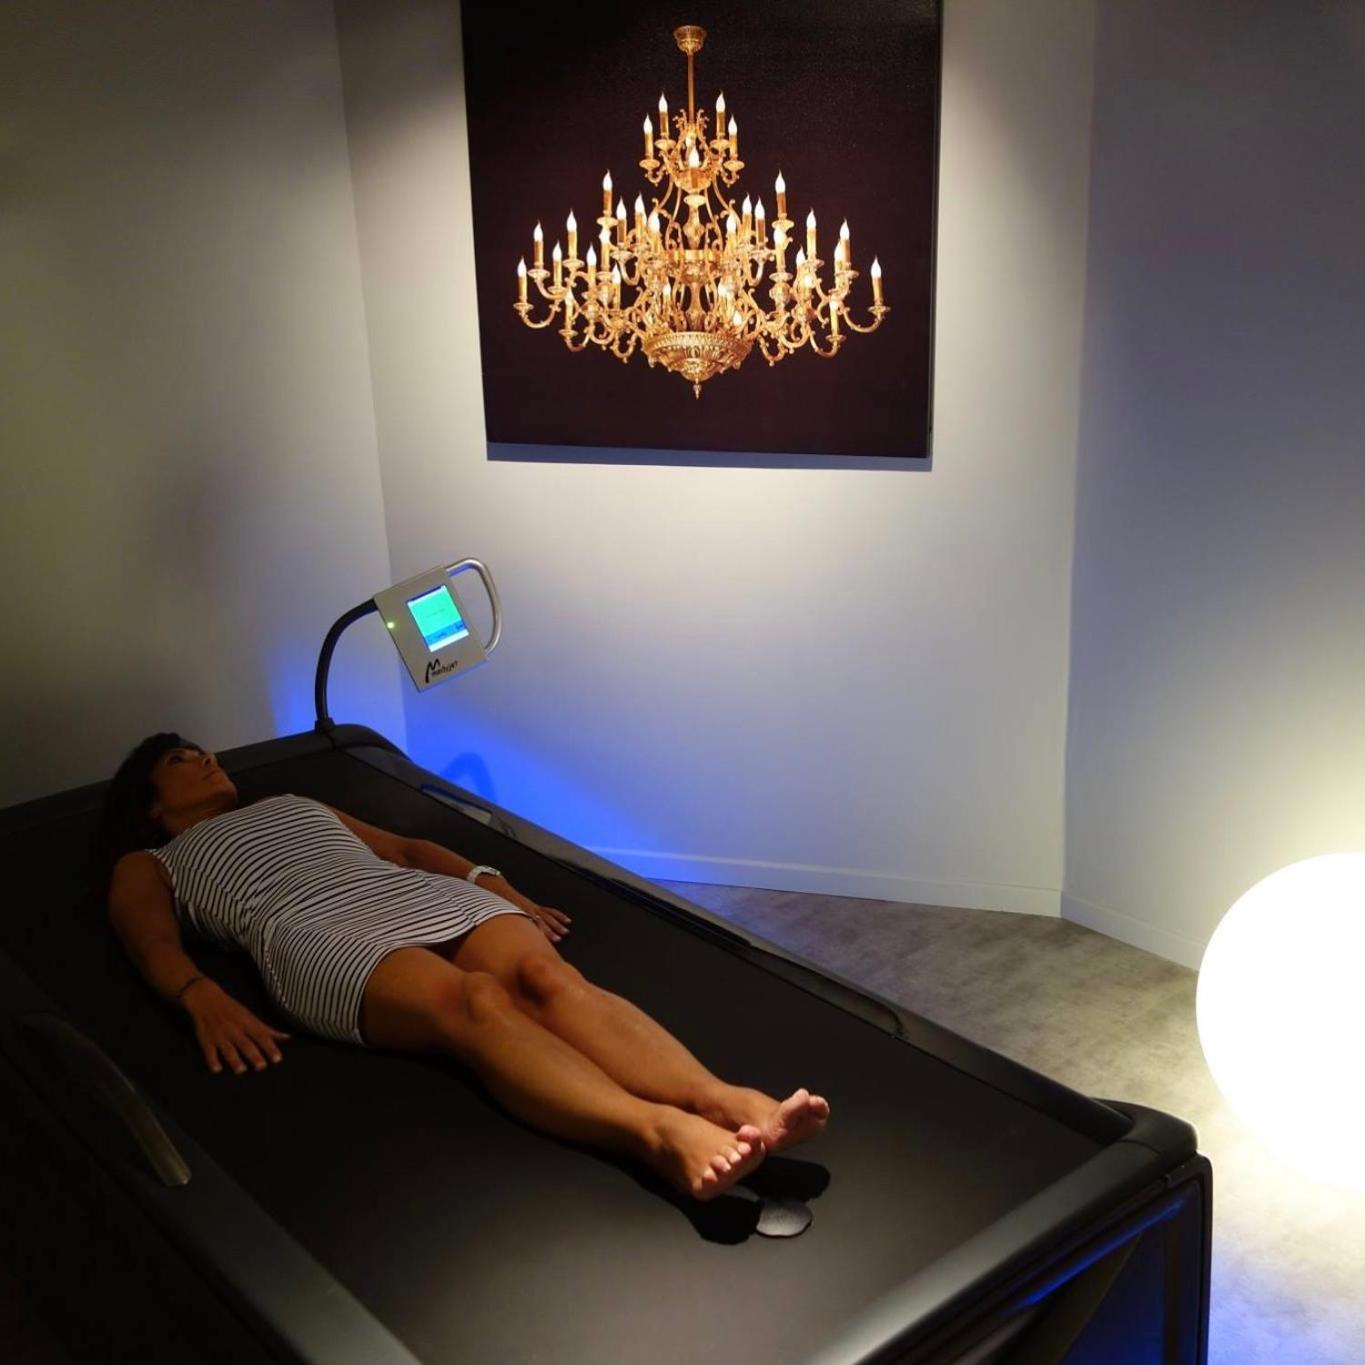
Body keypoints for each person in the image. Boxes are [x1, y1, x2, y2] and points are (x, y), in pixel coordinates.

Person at [99, 733, 830, 1203]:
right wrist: (199, 995)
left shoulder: (293, 802)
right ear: (151, 807)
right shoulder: (152, 860)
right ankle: (659, 1133)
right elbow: (150, 941)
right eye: (181, 760)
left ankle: (724, 1100)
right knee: (475, 1003)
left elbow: (405, 850)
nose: (207, 758)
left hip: (401, 890)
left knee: (552, 981)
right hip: (310, 929)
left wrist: (495, 881)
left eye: (204, 750)